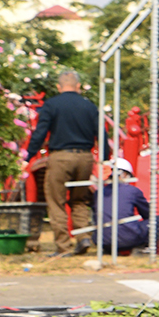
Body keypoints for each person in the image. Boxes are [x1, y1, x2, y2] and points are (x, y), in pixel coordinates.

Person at [26, 70, 101, 257]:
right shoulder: (89, 106)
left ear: (59, 87)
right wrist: (106, 157)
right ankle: (83, 236)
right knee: (80, 199)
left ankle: (63, 246)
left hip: (60, 157)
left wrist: (28, 155)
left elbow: (40, 133)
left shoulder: (52, 105)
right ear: (78, 87)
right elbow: (102, 133)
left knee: (56, 201)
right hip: (85, 157)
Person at [92, 157, 159, 254]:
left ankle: (109, 249)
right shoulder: (133, 191)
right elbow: (148, 214)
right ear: (123, 174)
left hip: (102, 241)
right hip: (128, 239)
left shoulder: (99, 192)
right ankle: (144, 249)